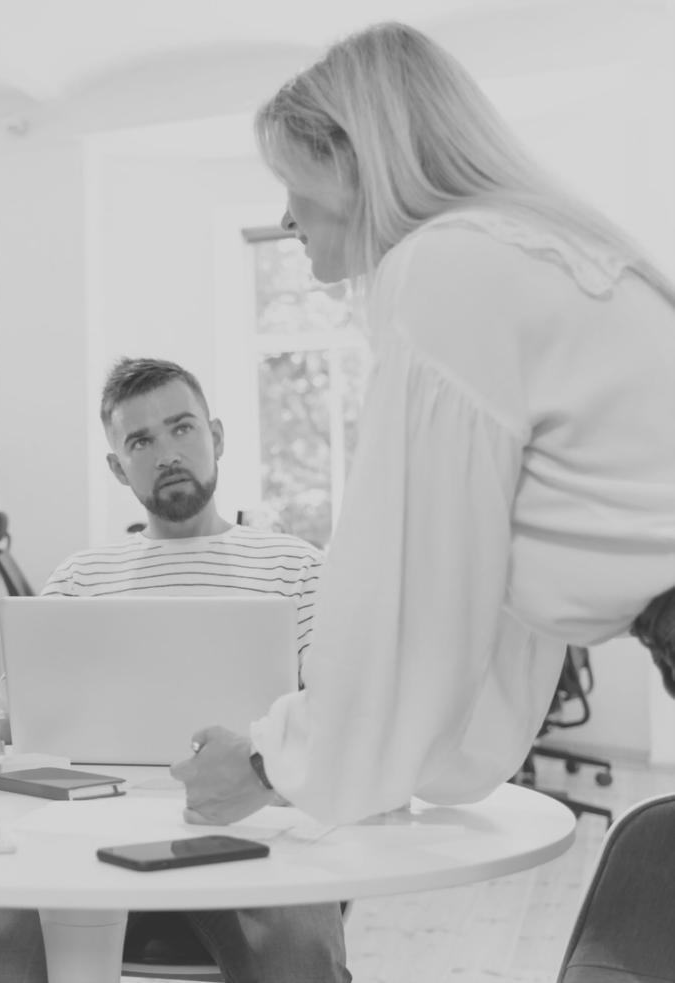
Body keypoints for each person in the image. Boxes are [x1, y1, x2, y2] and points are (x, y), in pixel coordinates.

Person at [176, 21, 675, 829]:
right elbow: (483, 593)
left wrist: (274, 758)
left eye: (292, 181)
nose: (287, 217)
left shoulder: (447, 268)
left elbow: (406, 585)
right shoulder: (522, 249)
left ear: (348, 162)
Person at [0, 357, 348, 983]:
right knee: (3, 955)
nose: (166, 452)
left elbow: (335, 710)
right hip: (81, 835)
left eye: (182, 428)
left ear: (215, 437)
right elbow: (16, 718)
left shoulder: (295, 567)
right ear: (118, 466)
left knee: (299, 955)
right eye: (140, 440)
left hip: (252, 833)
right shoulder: (81, 577)